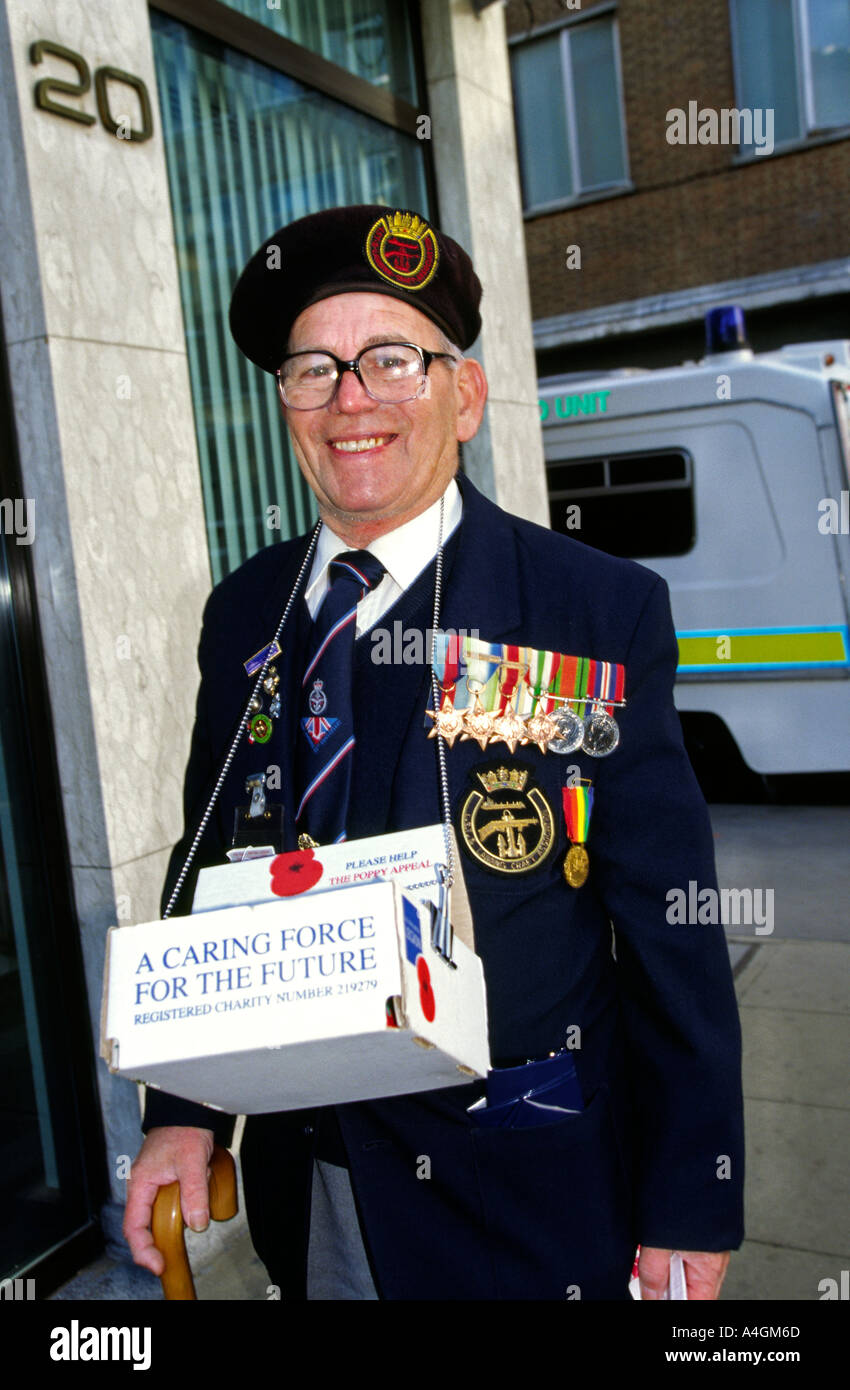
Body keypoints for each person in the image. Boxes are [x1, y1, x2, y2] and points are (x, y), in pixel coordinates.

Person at [124, 204, 744, 1301]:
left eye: (392, 360)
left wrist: (689, 1192)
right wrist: (182, 1111)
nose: (352, 399)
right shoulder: (245, 612)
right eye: (314, 368)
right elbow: (206, 865)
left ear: (464, 397)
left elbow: (668, 925)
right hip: (312, 1181)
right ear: (286, 406)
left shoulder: (592, 608)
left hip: (528, 1183)